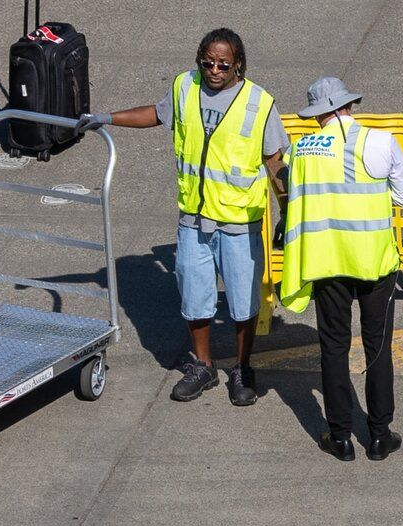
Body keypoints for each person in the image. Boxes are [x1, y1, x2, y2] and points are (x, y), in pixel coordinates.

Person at [97, 29, 287, 406]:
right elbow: (155, 113)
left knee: (242, 303)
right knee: (195, 297)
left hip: (239, 223)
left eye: (223, 65)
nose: (214, 70)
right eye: (207, 62)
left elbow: (274, 162)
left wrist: (287, 210)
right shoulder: (185, 86)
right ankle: (202, 366)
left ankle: (242, 368)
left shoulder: (259, 103)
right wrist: (104, 118)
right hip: (193, 220)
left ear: (239, 66)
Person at [277, 77, 403, 462]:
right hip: (374, 261)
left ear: (317, 113)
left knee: (333, 349)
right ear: (348, 106)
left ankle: (338, 437)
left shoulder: (300, 150)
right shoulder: (381, 141)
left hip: (326, 261)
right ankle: (378, 435)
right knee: (377, 347)